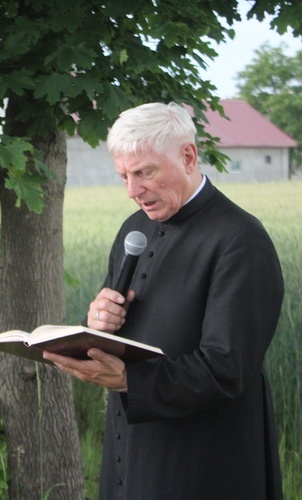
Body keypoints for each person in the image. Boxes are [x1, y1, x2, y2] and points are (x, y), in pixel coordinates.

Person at [44, 102, 284, 499]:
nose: (133, 191)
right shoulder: (134, 229)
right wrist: (100, 323)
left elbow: (227, 367)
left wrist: (128, 380)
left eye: (145, 173)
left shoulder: (240, 241)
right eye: (123, 176)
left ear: (188, 156)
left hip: (207, 460)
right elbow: (128, 330)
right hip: (134, 446)